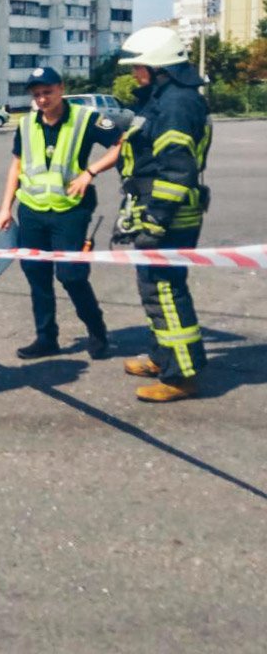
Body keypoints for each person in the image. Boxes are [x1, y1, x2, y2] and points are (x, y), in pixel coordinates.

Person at [0, 66, 121, 360]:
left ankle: (97, 331)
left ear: (61, 88)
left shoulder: (86, 118)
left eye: (47, 92)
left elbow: (120, 144)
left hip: (70, 210)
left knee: (71, 275)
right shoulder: (26, 124)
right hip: (33, 210)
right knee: (36, 274)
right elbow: (17, 165)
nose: (42, 99)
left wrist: (90, 172)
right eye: (36, 94)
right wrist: (5, 207)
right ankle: (46, 337)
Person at [115, 26, 212, 402]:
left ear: (162, 67)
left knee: (166, 293)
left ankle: (181, 375)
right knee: (154, 289)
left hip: (169, 217)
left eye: (140, 67)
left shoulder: (176, 104)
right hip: (157, 211)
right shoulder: (165, 98)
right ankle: (162, 357)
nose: (135, 73)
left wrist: (155, 221)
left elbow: (176, 170)